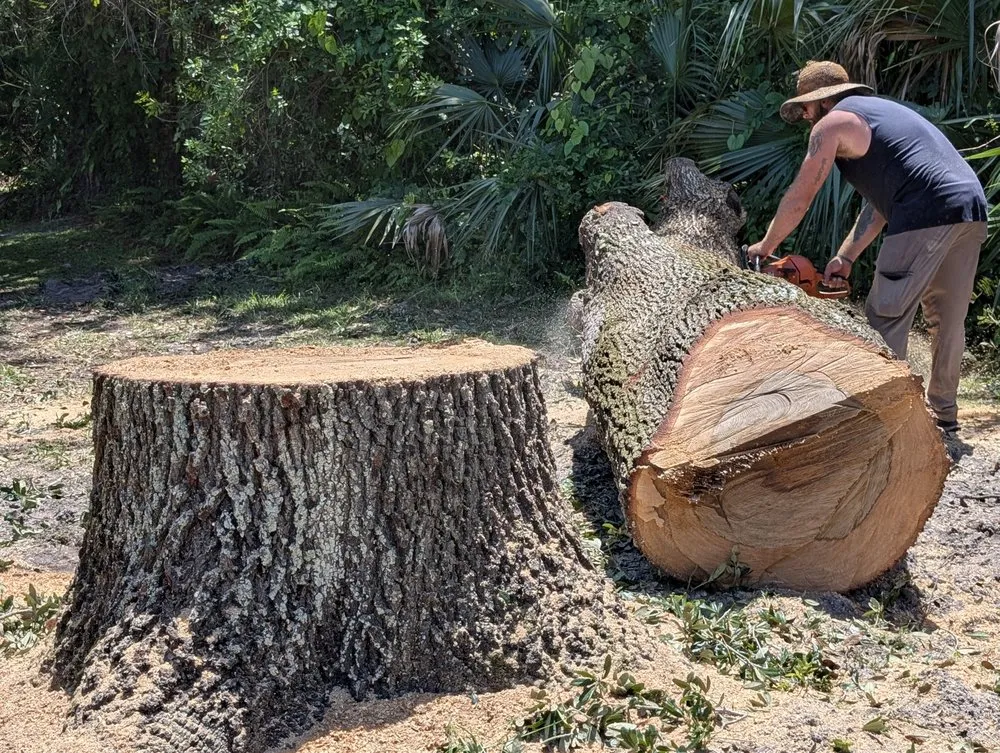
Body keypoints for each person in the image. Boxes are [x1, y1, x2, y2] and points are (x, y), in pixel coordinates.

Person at [747, 60, 989, 434]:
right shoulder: (882, 115)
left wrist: (765, 247)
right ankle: (944, 415)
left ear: (824, 101)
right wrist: (846, 256)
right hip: (970, 207)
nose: (805, 117)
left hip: (926, 211)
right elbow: (879, 207)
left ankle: (880, 423)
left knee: (885, 317)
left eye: (807, 108)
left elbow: (803, 193)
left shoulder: (833, 124)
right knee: (947, 320)